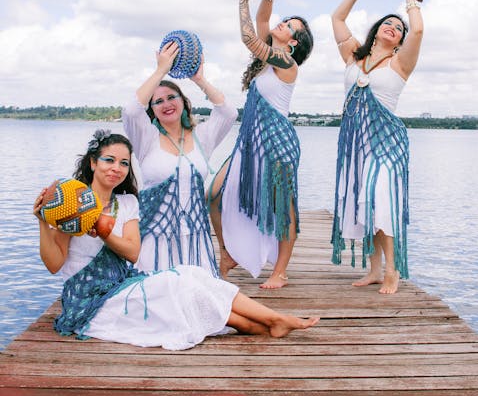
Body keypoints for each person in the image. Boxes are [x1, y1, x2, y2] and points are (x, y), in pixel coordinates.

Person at [33, 130, 320, 350]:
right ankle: (267, 324)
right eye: (109, 160)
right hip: (91, 301)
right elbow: (55, 265)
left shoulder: (128, 203)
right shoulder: (73, 201)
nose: (116, 168)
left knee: (191, 275)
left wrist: (105, 230)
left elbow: (132, 253)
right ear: (93, 162)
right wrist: (44, 223)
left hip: (122, 285)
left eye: (123, 163)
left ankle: (269, 322)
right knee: (177, 286)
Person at [209, 0, 314, 289]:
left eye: (290, 27)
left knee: (284, 206)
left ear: (293, 43)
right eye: (286, 21)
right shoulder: (267, 61)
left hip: (277, 143)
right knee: (214, 194)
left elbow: (249, 37)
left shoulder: (286, 62)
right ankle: (227, 253)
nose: (282, 25)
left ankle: (280, 270)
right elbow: (264, 23)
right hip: (249, 142)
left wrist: (242, 0)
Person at [330, 0, 424, 294]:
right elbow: (337, 19)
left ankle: (393, 271)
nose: (393, 27)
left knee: (381, 198)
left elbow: (419, 31)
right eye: (388, 22)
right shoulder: (354, 55)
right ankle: (374, 270)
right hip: (355, 143)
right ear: (376, 30)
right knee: (362, 203)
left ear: (400, 40)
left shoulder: (400, 64)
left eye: (399, 28)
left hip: (386, 143)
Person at [122, 46, 238, 277]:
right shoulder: (146, 137)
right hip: (155, 237)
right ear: (152, 110)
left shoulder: (202, 137)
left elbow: (229, 113)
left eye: (171, 97)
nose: (166, 104)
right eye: (158, 101)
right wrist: (161, 70)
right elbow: (130, 110)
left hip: (195, 235)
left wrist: (199, 79)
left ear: (183, 102)